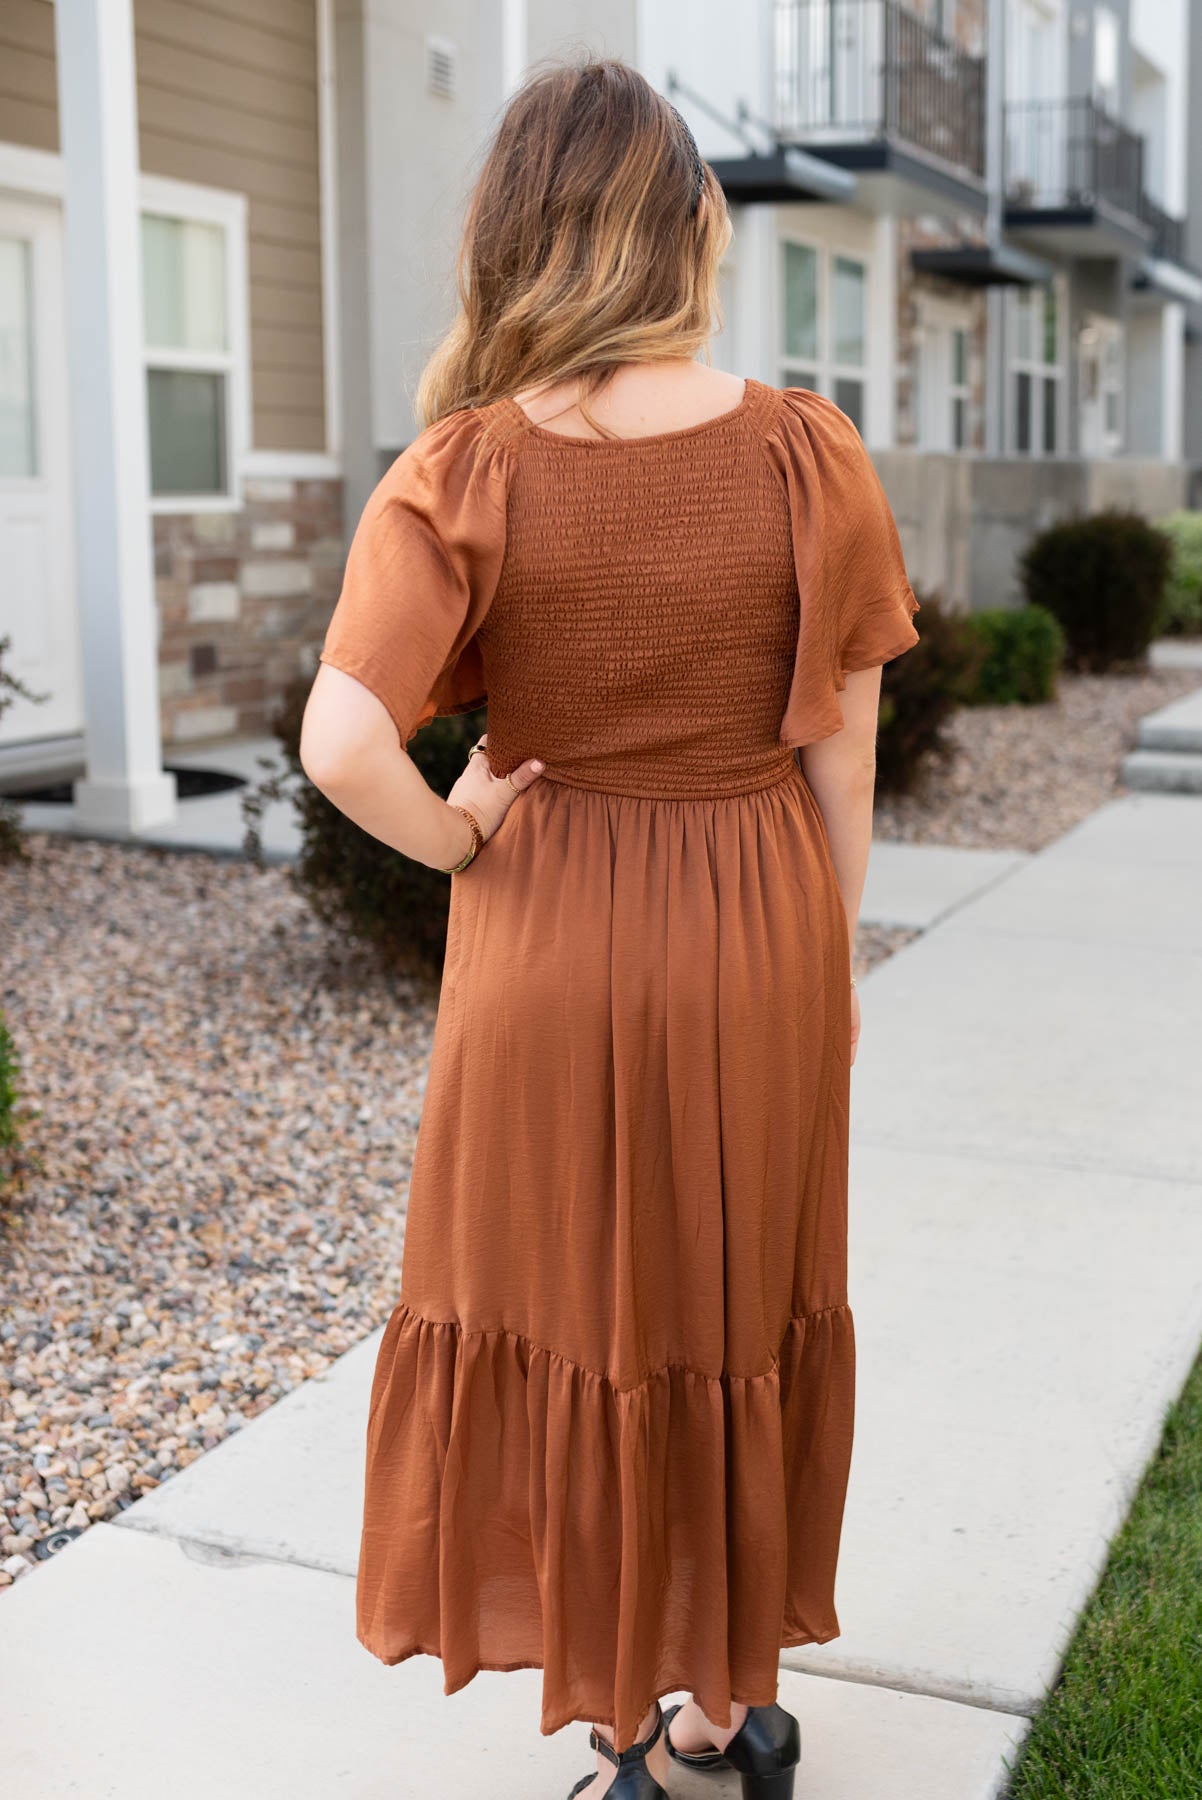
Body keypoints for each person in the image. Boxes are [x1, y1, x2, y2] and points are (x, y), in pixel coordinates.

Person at [300, 54, 919, 1800]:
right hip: (756, 932)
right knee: (734, 1311)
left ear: (516, 238)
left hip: (549, 938)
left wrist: (453, 832)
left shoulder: (473, 466)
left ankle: (632, 1726)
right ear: (687, 228)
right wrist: (817, 945)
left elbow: (341, 740)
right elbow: (845, 738)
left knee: (578, 1311)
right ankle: (732, 1718)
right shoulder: (807, 451)